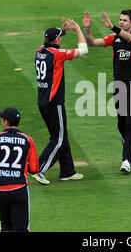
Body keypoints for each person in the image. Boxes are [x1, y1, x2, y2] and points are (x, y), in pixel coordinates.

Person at [82, 10, 131, 174]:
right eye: (120, 20)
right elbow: (93, 43)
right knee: (121, 123)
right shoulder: (114, 39)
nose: (122, 22)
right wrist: (87, 30)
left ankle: (127, 160)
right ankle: (128, 151)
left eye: (125, 20)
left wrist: (112, 26)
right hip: (119, 85)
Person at [31, 18, 88, 185]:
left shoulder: (39, 51)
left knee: (61, 136)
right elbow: (83, 50)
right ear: (57, 40)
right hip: (54, 102)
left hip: (42, 101)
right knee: (58, 139)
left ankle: (67, 170)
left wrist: (62, 31)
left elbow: (52, 42)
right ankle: (39, 169)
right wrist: (78, 30)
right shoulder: (57, 55)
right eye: (60, 37)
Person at [0, 108, 39, 232]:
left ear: (5, 122)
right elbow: (34, 169)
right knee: (21, 228)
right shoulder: (28, 140)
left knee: (5, 226)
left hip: (0, 190)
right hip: (19, 189)